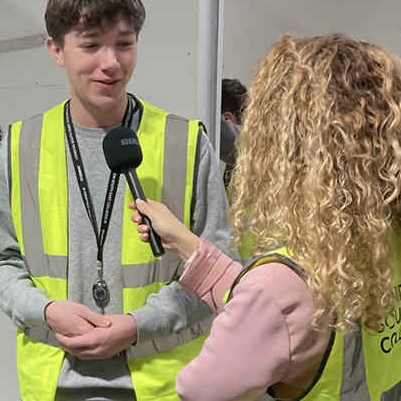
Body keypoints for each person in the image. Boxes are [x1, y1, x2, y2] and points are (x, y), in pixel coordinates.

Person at [0, 0, 235, 400]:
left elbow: (220, 265)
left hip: (164, 383)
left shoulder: (186, 144)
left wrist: (137, 326)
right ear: (56, 49)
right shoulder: (22, 146)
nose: (110, 63)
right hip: (53, 381)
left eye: (125, 44)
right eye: (91, 45)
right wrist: (46, 309)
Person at [134, 34, 401, 400]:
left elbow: (199, 389)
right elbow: (275, 315)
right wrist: (188, 245)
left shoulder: (282, 286)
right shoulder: (383, 242)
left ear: (280, 139)